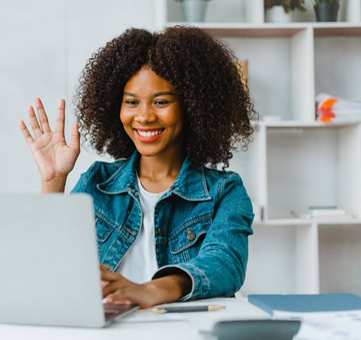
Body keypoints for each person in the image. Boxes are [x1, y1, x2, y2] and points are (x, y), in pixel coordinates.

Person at [19, 26, 256, 309]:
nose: (143, 116)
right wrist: (53, 181)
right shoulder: (98, 183)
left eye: (160, 102)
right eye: (131, 102)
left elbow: (224, 264)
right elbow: (51, 266)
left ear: (192, 107)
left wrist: (149, 291)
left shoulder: (224, 191)